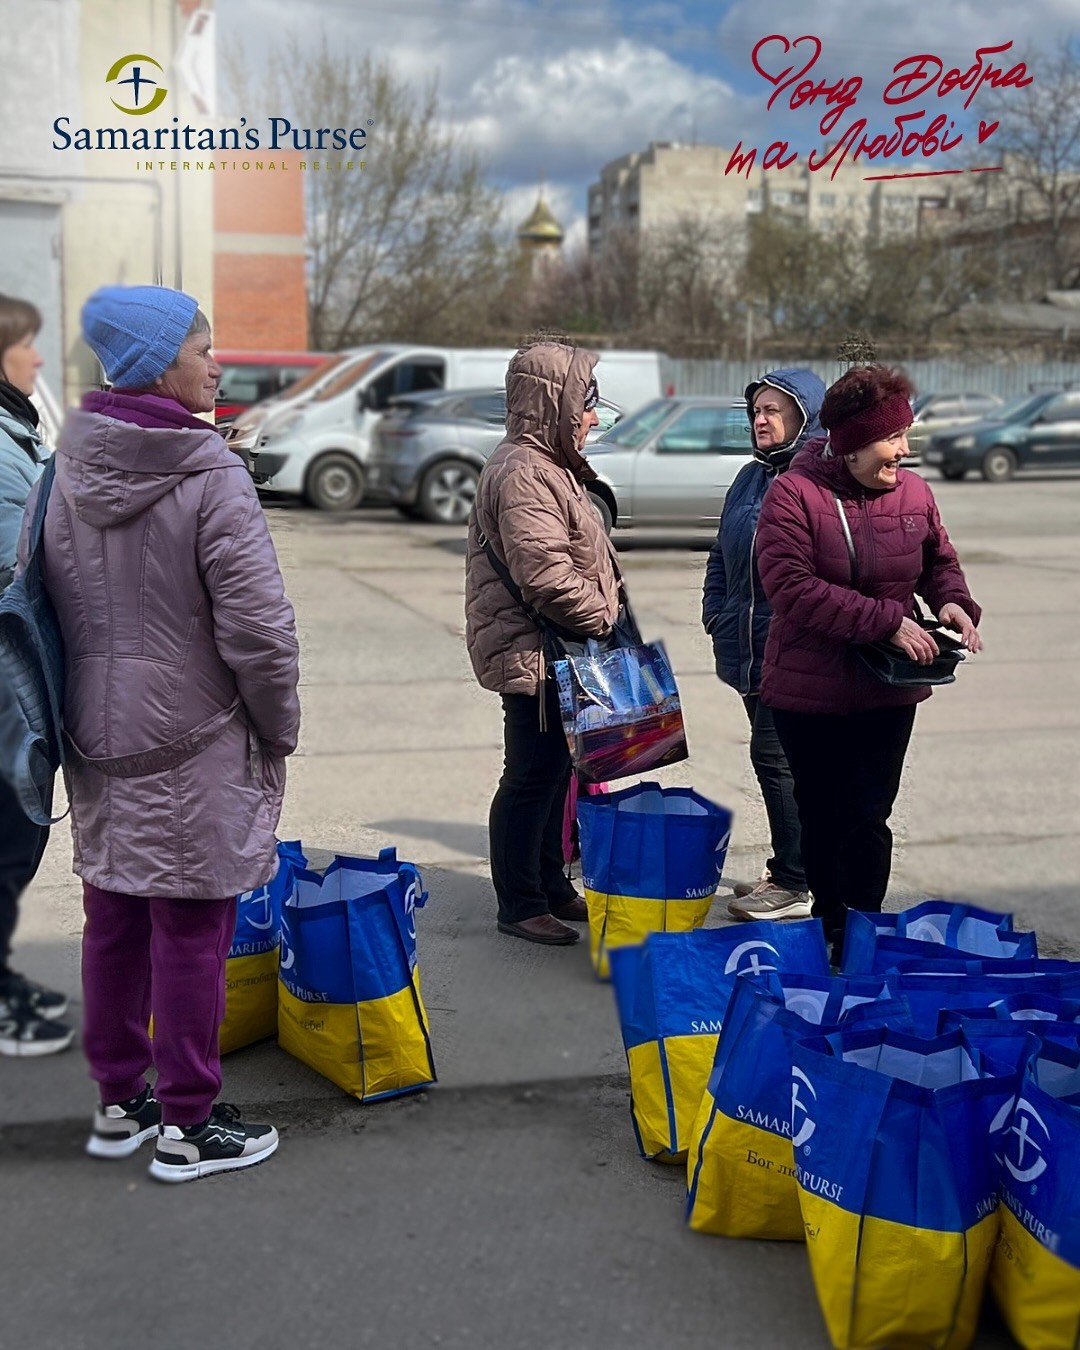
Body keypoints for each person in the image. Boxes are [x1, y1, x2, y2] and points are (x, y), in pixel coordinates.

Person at [24, 284, 300, 1181]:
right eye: (203, 348)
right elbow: (259, 632)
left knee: (113, 915)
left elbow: (32, 602)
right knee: (190, 924)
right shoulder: (208, 471)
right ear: (154, 365)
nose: (216, 362)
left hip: (96, 736)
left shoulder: (62, 470)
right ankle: (187, 1123)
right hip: (195, 734)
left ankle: (121, 1102)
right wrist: (278, 723)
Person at [755, 364, 982, 961]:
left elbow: (939, 561)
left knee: (870, 816)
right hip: (810, 693)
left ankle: (865, 934)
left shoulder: (914, 493)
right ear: (852, 444)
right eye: (893, 438)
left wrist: (954, 602)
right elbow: (791, 587)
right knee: (824, 816)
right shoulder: (794, 495)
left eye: (906, 436)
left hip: (888, 691)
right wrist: (887, 621)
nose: (904, 451)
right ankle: (830, 931)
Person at [465, 340, 620, 946]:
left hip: (556, 652)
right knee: (530, 777)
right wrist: (604, 616)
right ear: (552, 403)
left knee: (556, 774)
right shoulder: (526, 471)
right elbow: (546, 577)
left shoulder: (545, 463)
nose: (593, 418)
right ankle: (520, 902)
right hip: (538, 652)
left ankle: (550, 884)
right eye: (586, 403)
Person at [702, 368, 825, 922]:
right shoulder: (749, 478)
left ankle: (796, 883)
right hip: (745, 644)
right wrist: (715, 613)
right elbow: (718, 555)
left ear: (805, 417)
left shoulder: (815, 481)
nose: (760, 418)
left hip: (793, 649)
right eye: (756, 409)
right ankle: (794, 867)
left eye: (774, 409)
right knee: (780, 760)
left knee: (776, 759)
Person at [0, 293, 75, 1056]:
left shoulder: (13, 431)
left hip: (14, 676)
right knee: (9, 836)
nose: (39, 358)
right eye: (27, 346)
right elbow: (15, 571)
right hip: (7, 681)